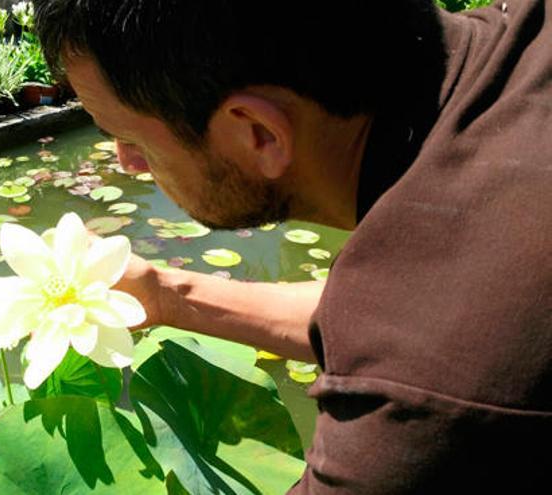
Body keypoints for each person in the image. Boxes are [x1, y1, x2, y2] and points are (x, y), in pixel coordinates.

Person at [33, 0, 552, 492]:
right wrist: (167, 294)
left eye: (131, 138)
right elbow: (412, 308)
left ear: (259, 133)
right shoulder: (527, 37)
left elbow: (425, 339)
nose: (126, 162)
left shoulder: (415, 416)